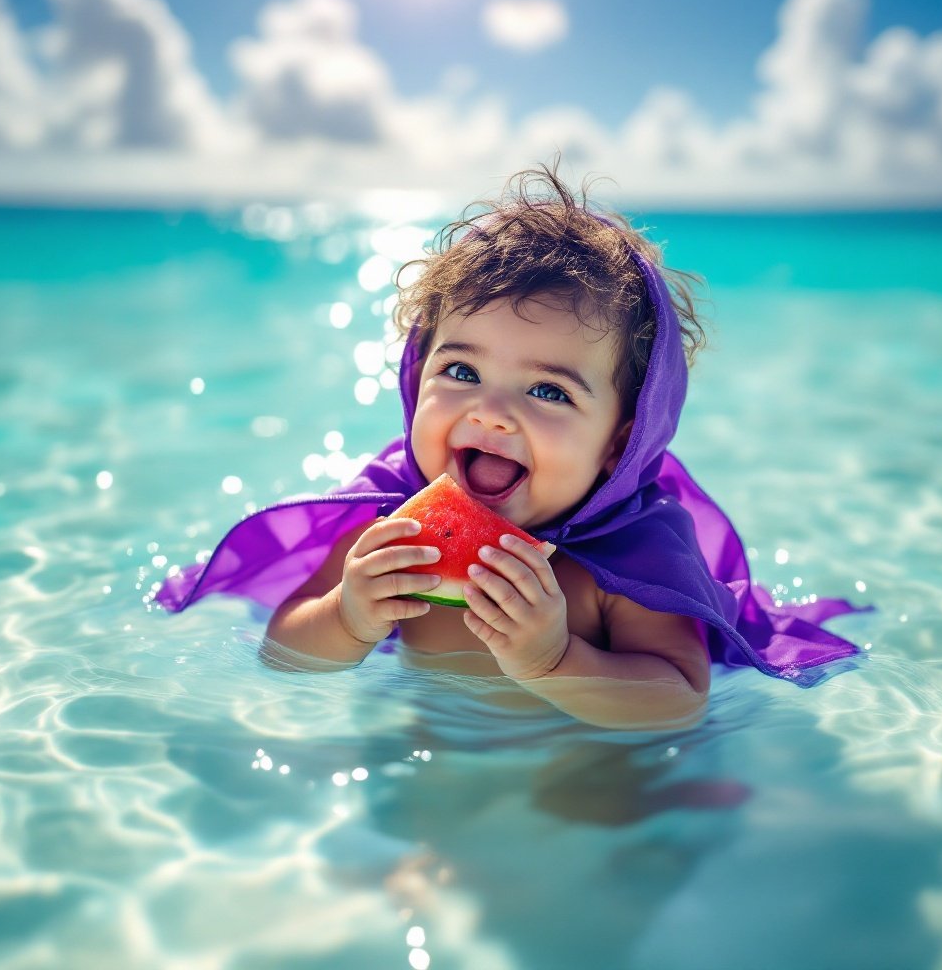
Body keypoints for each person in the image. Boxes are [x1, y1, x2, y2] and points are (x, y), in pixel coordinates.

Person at [157, 164, 863, 730]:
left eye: (549, 391)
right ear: (415, 379)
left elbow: (679, 697)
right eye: (461, 372)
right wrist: (347, 616)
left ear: (620, 444)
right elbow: (284, 653)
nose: (490, 412)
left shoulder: (628, 563)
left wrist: (555, 658)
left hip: (589, 785)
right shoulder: (391, 532)